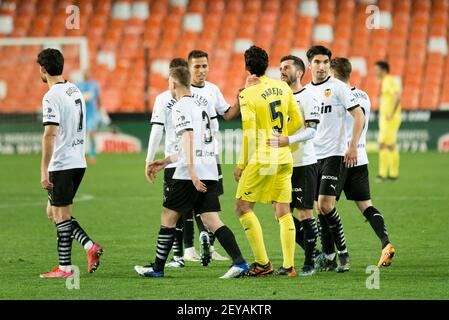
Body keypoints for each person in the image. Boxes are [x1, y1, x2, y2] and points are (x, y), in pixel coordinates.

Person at [134, 66, 249, 279]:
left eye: (169, 82)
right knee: (211, 220)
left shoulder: (179, 106)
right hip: (210, 168)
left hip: (190, 174)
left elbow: (187, 137)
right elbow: (196, 142)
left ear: (174, 83)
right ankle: (240, 263)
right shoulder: (201, 104)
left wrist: (192, 173)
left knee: (168, 216)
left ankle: (157, 268)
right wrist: (166, 161)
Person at [235, 45, 303, 277]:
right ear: (267, 65)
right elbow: (297, 121)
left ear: (247, 67)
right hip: (284, 157)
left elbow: (249, 133)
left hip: (262, 158)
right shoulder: (283, 86)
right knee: (283, 211)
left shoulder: (247, 94)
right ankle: (289, 266)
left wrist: (241, 164)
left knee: (243, 207)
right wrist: (284, 141)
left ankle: (263, 264)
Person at [37, 48, 103, 278]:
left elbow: (50, 134)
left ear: (43, 70)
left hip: (62, 163)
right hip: (78, 160)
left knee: (61, 216)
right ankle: (87, 247)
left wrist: (44, 169)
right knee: (53, 213)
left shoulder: (51, 96)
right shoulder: (74, 88)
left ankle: (66, 267)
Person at [304, 45, 365, 273]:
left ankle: (343, 254)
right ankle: (329, 256)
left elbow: (359, 115)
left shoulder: (338, 87)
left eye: (325, 62)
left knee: (325, 204)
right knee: (318, 209)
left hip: (334, 154)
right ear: (309, 65)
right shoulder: (305, 92)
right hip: (312, 155)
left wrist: (352, 146)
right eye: (317, 62)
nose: (321, 66)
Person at [331, 57, 395, 268]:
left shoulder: (337, 95)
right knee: (366, 206)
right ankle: (386, 243)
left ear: (333, 73)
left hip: (340, 158)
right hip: (360, 157)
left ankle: (331, 255)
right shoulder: (363, 95)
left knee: (323, 206)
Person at [266, 55, 320, 276]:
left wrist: (289, 140)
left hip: (303, 163)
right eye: (280, 67)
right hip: (281, 163)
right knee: (280, 212)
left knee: (304, 212)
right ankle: (313, 252)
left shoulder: (308, 97)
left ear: (299, 73)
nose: (281, 71)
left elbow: (312, 130)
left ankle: (309, 262)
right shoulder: (279, 96)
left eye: (286, 67)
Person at [145, 58, 190, 269]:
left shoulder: (163, 99)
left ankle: (177, 257)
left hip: (174, 161)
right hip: (196, 160)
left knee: (171, 211)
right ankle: (194, 246)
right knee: (198, 210)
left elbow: (156, 130)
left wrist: (149, 160)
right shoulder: (195, 97)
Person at [375, 61, 401, 182]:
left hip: (390, 119)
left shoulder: (390, 80)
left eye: (377, 69)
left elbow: (397, 96)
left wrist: (392, 112)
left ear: (384, 70)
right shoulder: (385, 81)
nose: (375, 71)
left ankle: (386, 174)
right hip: (385, 118)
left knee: (386, 145)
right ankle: (389, 174)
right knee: (386, 145)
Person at [77, 70, 101, 164]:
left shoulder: (94, 85)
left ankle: (92, 155)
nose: (87, 75)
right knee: (80, 135)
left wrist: (100, 108)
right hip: (81, 114)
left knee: (91, 133)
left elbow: (98, 98)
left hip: (92, 113)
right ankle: (79, 155)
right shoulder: (79, 85)